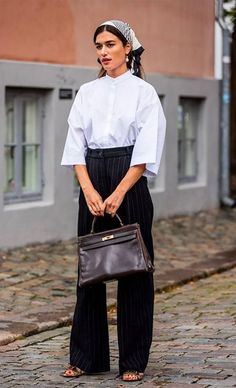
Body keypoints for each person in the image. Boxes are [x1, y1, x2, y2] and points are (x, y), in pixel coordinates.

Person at [61, 19, 166, 382]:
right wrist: (88, 189)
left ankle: (133, 359)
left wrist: (120, 191)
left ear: (127, 48)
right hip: (92, 174)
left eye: (109, 44)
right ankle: (87, 357)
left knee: (135, 269)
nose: (103, 52)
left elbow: (146, 148)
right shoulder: (87, 92)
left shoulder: (143, 93)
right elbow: (76, 144)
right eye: (98, 46)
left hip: (129, 178)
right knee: (89, 270)